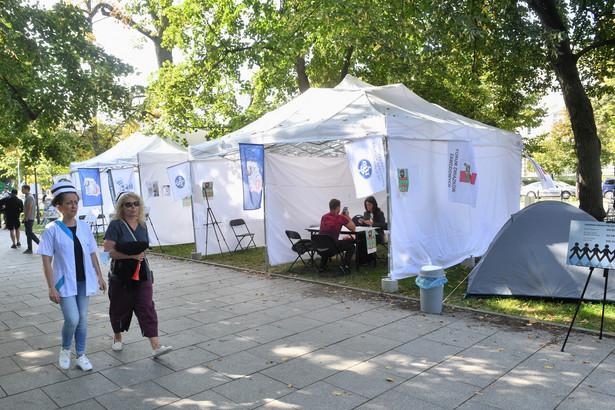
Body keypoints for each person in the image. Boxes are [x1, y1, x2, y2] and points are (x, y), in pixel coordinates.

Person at [37, 181, 107, 371]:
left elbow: (92, 252)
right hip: (64, 282)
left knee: (82, 319)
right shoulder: (52, 229)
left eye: (75, 202)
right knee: (73, 319)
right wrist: (51, 287)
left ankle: (81, 355)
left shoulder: (84, 227)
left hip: (84, 280)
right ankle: (65, 348)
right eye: (69, 202)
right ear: (59, 206)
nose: (74, 206)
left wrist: (99, 276)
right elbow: (46, 262)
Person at [103, 192, 172, 358]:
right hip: (121, 275)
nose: (133, 207)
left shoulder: (142, 224)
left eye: (136, 203)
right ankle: (117, 336)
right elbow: (107, 252)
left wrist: (139, 252)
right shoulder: (116, 225)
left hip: (142, 273)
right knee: (119, 308)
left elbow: (143, 246)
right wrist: (131, 255)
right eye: (128, 204)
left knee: (147, 307)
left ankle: (155, 346)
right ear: (121, 207)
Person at [319, 198, 356, 275]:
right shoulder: (341, 218)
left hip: (321, 247)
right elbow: (353, 228)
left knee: (326, 240)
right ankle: (345, 266)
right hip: (333, 248)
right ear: (338, 207)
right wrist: (347, 216)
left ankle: (322, 266)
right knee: (351, 246)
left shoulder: (324, 217)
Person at [357, 196, 387, 265]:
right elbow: (365, 226)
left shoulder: (380, 213)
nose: (368, 206)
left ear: (374, 204)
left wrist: (373, 223)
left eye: (369, 205)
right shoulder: (366, 213)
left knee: (367, 240)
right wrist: (361, 223)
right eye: (367, 205)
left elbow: (383, 225)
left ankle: (368, 259)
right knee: (360, 239)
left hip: (377, 234)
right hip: (368, 233)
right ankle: (361, 261)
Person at [21, 184, 40, 254]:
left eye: (23, 189)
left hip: (30, 217)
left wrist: (26, 217)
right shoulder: (27, 197)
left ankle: (41, 244)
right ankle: (29, 248)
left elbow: (29, 208)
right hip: (28, 217)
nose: (22, 190)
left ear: (27, 189)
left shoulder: (29, 197)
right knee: (28, 233)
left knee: (30, 233)